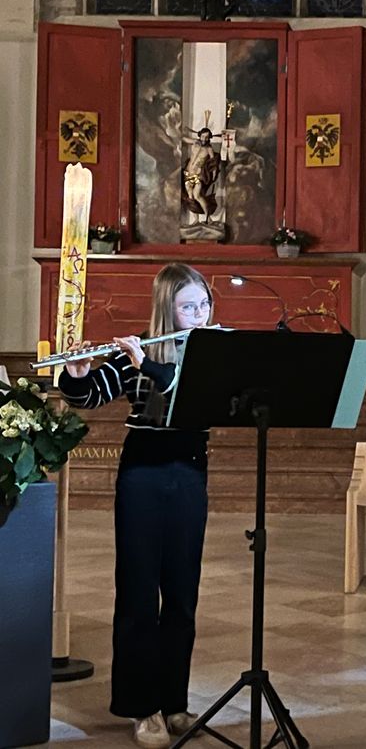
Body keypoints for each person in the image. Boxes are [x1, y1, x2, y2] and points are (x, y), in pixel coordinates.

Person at [59, 263, 214, 749]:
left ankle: (175, 702)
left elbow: (183, 389)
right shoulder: (137, 349)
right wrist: (77, 374)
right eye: (189, 306)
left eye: (204, 304)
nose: (199, 314)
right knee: (139, 593)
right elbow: (89, 396)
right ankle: (142, 707)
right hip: (143, 477)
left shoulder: (211, 353)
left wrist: (147, 365)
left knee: (183, 596)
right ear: (167, 308)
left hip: (190, 474)